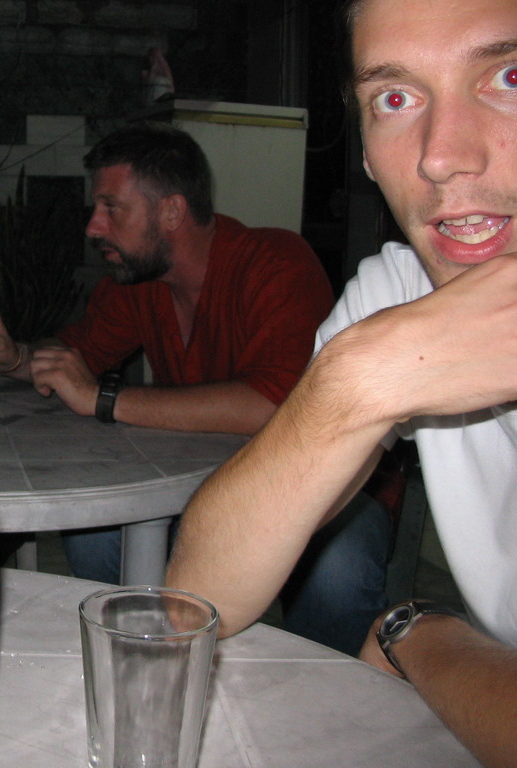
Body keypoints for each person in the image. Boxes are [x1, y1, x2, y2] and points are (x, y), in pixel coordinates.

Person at [166, 1, 517, 765]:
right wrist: (354, 379)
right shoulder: (396, 292)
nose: (439, 155)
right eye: (395, 99)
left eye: (509, 77)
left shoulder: (272, 263)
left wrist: (418, 634)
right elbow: (200, 596)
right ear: (362, 149)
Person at [0, 123, 387, 652]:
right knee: (95, 534)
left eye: (112, 208)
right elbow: (76, 361)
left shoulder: (276, 263)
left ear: (172, 213)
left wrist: (105, 399)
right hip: (199, 480)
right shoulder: (142, 283)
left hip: (320, 484)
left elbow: (274, 405)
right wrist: (14, 356)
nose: (93, 226)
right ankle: (149, 665)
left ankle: (320, 706)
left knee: (337, 571)